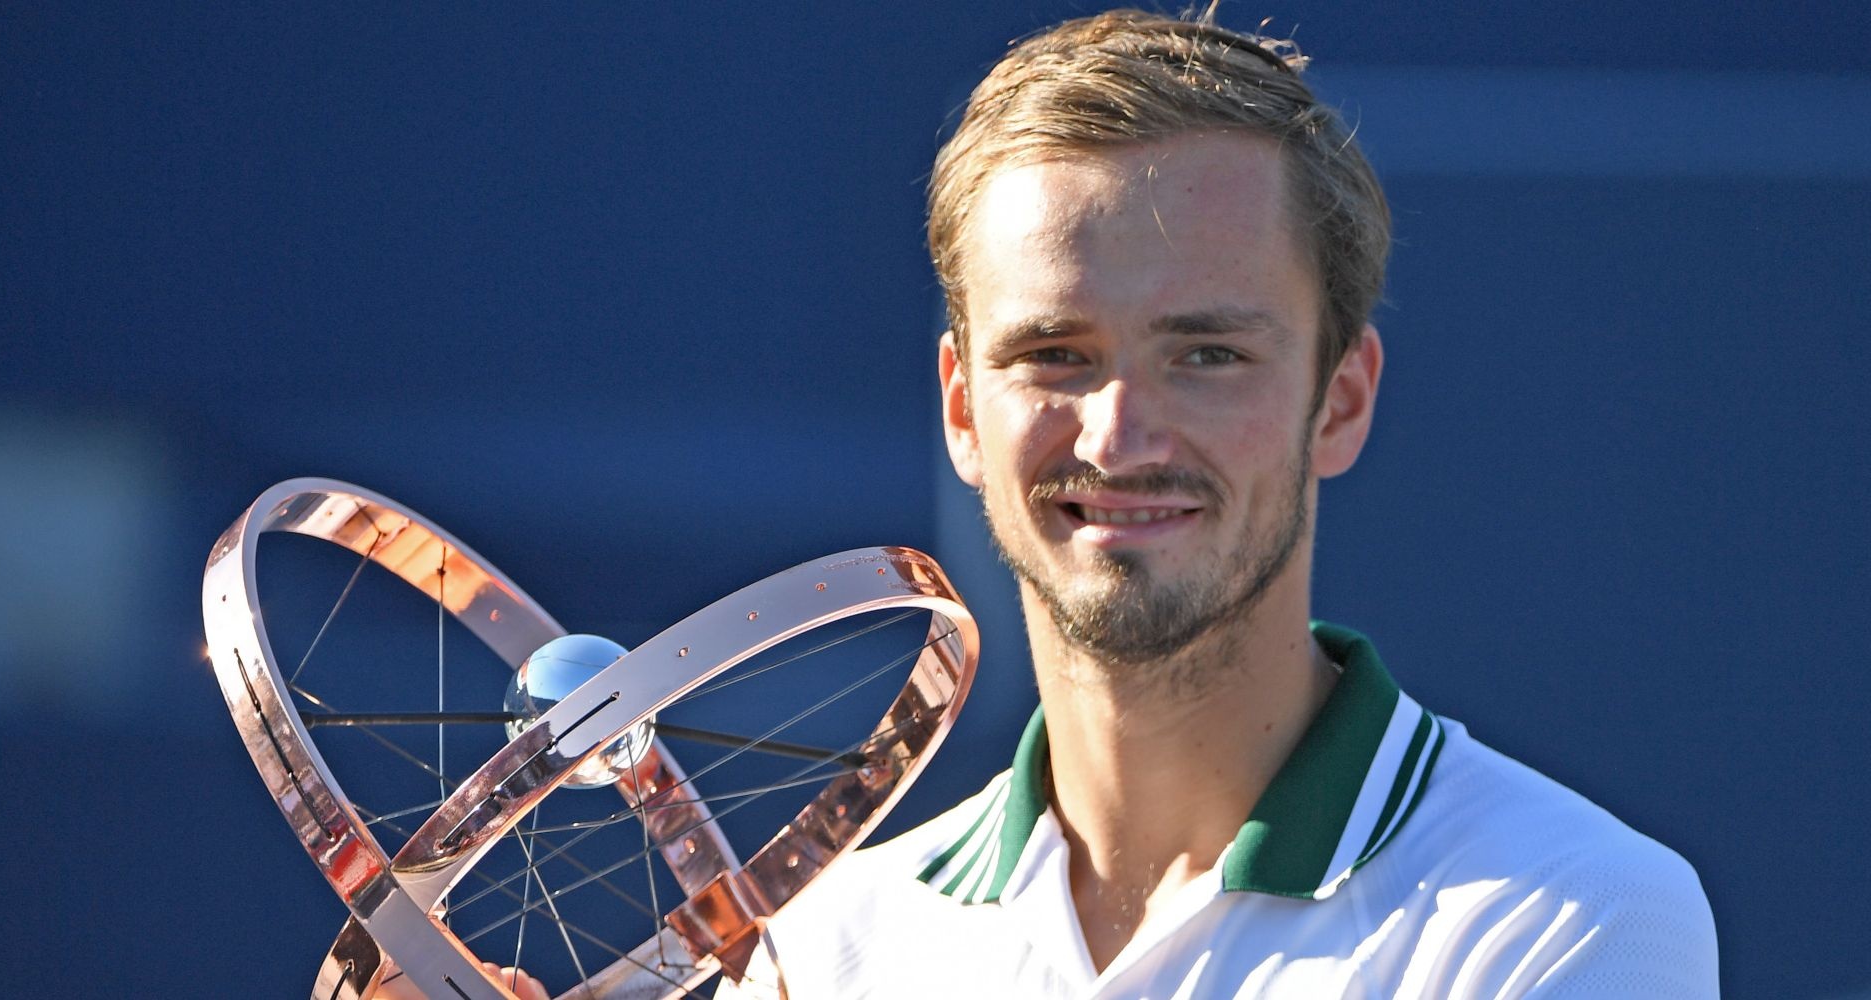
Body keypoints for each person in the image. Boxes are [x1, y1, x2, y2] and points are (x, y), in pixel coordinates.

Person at [725, 8, 1719, 999]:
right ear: (961, 409)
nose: (1115, 437)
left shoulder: (1578, 910)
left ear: (1340, 398)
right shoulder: (821, 950)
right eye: (1054, 356)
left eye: (1205, 356)